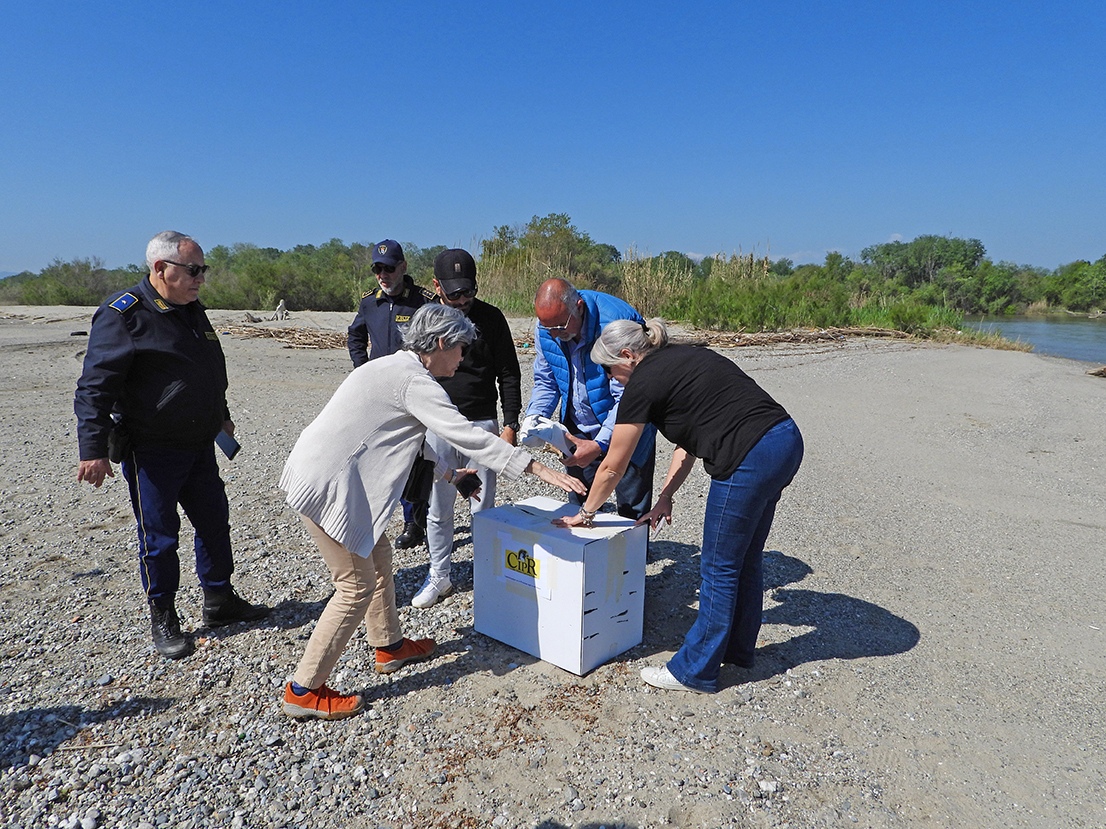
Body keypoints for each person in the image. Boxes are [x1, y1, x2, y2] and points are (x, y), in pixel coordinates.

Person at [279, 304, 586, 719]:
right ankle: (304, 688)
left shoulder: (394, 369)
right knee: (355, 585)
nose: (463, 358)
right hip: (328, 488)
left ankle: (388, 646)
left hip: (320, 475)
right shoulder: (414, 381)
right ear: (440, 343)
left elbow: (414, 437)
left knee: (380, 557)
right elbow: (465, 433)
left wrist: (453, 476)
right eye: (460, 349)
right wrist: (537, 468)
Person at [554, 319, 804, 694]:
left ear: (627, 356)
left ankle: (694, 672)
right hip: (784, 440)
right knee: (746, 556)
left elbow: (611, 466)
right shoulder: (684, 358)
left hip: (748, 457)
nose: (610, 379)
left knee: (718, 567)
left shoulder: (642, 383)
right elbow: (687, 443)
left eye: (609, 369)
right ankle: (738, 650)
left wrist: (586, 512)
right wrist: (666, 497)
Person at [74, 231, 269, 660]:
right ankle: (163, 615)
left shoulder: (191, 309)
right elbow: (94, 387)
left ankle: (219, 600)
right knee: (160, 538)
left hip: (199, 443)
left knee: (215, 523)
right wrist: (92, 449)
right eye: (193, 270)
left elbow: (205, 367)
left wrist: (221, 411)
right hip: (153, 450)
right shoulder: (124, 314)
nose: (202, 278)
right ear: (160, 269)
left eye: (204, 270)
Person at [412, 249, 522, 608]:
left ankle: (485, 572)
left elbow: (509, 372)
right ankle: (439, 576)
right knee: (439, 506)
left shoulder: (491, 318)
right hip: (439, 424)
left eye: (468, 292)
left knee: (482, 507)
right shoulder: (426, 319)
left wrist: (510, 424)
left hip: (481, 423)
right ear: (436, 286)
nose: (461, 300)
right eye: (453, 293)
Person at [525, 278, 656, 519]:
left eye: (561, 327)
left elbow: (631, 396)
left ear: (579, 306)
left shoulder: (617, 324)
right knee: (579, 507)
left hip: (625, 428)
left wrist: (599, 445)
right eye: (548, 328)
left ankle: (629, 557)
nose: (555, 334)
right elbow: (546, 380)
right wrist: (535, 418)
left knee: (631, 512)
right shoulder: (548, 325)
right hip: (578, 429)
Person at [346, 239, 435, 549]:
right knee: (381, 454)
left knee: (415, 456)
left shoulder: (423, 302)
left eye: (389, 268)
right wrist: (361, 368)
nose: (382, 275)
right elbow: (355, 335)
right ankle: (386, 515)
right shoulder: (370, 302)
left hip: (413, 390)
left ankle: (416, 522)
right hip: (377, 392)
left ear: (403, 268)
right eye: (377, 269)